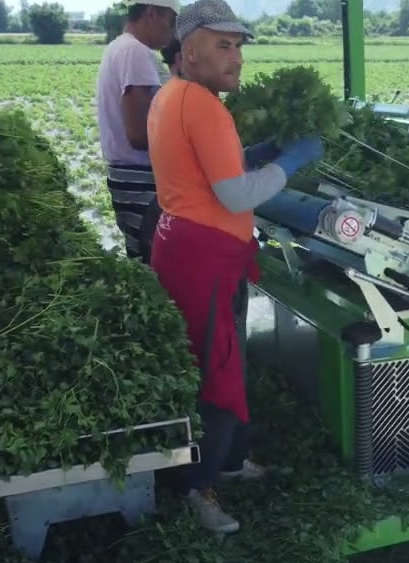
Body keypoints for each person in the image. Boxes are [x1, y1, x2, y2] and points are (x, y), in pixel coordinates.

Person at [146, 0, 324, 534]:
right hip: (203, 259)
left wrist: (262, 150)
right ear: (190, 49)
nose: (236, 58)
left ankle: (229, 461)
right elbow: (235, 192)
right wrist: (289, 163)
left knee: (224, 360)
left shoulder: (175, 96)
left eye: (239, 46)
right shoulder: (198, 104)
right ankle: (197, 490)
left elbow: (216, 164)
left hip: (193, 249)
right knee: (214, 370)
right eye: (224, 45)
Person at [95, 0, 178, 263]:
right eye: (171, 21)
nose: (173, 31)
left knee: (144, 259)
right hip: (140, 177)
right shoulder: (136, 52)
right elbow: (140, 135)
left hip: (126, 175)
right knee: (156, 264)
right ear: (152, 14)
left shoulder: (119, 47)